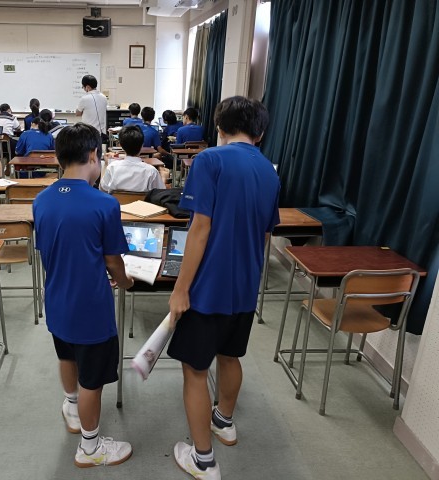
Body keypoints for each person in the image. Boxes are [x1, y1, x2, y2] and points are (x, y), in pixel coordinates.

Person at [167, 96, 280, 479]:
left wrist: (181, 288)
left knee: (195, 370)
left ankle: (203, 460)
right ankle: (224, 422)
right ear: (260, 133)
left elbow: (200, 228)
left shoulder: (209, 160)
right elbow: (265, 235)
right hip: (245, 285)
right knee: (230, 356)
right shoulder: (270, 172)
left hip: (208, 286)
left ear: (219, 127)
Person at [33, 122, 134, 468]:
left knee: (67, 356)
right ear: (94, 156)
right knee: (93, 379)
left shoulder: (42, 200)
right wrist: (125, 281)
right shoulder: (104, 204)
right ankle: (90, 447)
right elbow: (112, 261)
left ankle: (71, 406)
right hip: (90, 306)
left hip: (57, 300)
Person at [100, 126, 164, 193]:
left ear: (120, 145)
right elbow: (160, 194)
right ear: (142, 145)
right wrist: (163, 178)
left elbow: (103, 189)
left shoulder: (112, 167)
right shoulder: (152, 172)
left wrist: (106, 164)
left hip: (116, 200)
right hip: (142, 200)